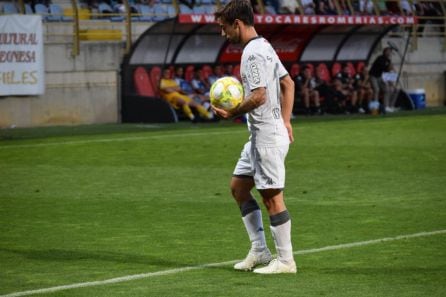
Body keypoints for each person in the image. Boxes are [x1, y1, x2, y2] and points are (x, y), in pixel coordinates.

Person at [213, 0, 296, 274]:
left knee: (272, 197)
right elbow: (288, 83)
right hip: (264, 135)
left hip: (267, 138)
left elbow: (259, 95)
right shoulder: (265, 46)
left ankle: (285, 261)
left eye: (225, 28)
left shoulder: (251, 53)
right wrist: (286, 120)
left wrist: (233, 110)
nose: (223, 34)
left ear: (237, 24)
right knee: (238, 187)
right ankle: (260, 250)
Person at [369, 47, 395, 113]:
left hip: (380, 76)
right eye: (388, 51)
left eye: (390, 52)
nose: (389, 53)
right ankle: (375, 108)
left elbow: (387, 72)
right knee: (376, 90)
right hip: (373, 76)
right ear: (384, 52)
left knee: (387, 89)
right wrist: (389, 67)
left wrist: (391, 82)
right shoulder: (380, 58)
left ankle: (386, 107)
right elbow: (384, 68)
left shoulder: (388, 61)